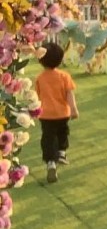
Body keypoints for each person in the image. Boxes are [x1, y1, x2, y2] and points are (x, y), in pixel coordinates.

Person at [34, 42, 78, 183]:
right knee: (62, 133)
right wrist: (73, 109)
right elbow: (69, 94)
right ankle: (62, 153)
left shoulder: (40, 78)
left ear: (41, 60)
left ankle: (50, 162)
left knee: (48, 138)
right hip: (62, 114)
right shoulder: (64, 76)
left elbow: (38, 96)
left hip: (46, 114)